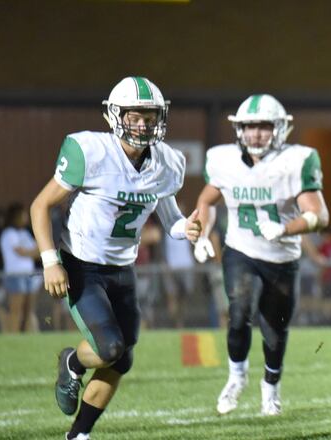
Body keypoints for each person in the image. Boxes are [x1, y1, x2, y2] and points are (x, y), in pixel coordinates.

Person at [29, 76, 201, 440]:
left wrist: (187, 228)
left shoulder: (167, 163)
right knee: (109, 347)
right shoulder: (89, 151)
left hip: (123, 268)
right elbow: (40, 205)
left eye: (149, 117)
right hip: (82, 265)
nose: (142, 124)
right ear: (114, 115)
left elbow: (170, 221)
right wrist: (49, 260)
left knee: (121, 358)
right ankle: (71, 361)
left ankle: (78, 435)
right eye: (134, 116)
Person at [193, 94, 329, 416]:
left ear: (279, 129)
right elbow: (206, 201)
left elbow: (319, 216)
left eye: (263, 126)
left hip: (283, 258)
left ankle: (270, 388)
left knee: (274, 332)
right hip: (241, 250)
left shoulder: (296, 160)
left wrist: (286, 229)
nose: (255, 134)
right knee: (239, 311)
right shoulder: (223, 160)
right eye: (250, 126)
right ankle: (236, 376)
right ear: (240, 129)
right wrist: (201, 232)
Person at [0, 203, 40, 332]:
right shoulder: (8, 233)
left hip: (29, 274)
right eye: (23, 214)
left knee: (28, 310)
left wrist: (33, 252)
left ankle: (26, 336)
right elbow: (22, 252)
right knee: (16, 310)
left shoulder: (24, 233)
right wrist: (33, 252)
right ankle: (13, 335)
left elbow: (38, 251)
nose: (25, 217)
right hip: (15, 275)